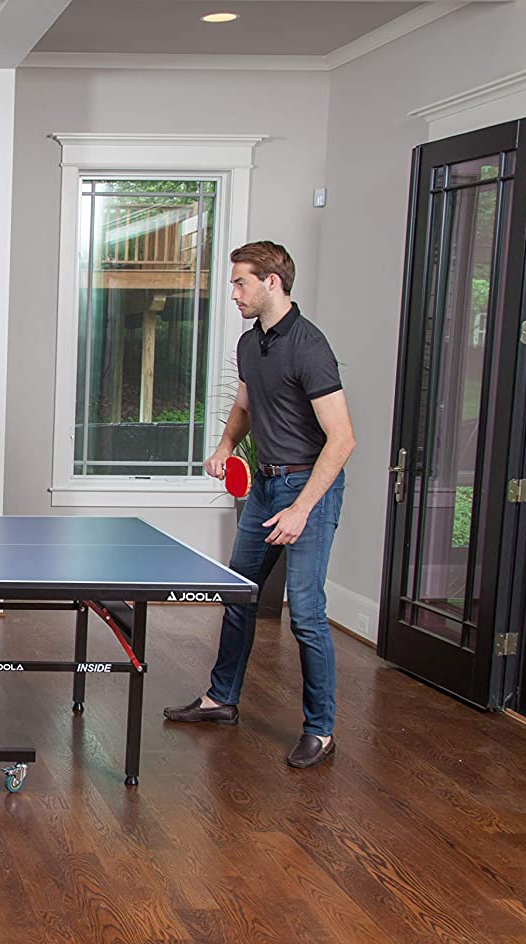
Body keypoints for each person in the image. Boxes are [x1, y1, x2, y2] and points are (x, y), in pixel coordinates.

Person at [164, 241, 356, 769]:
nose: (233, 293)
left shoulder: (310, 346)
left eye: (240, 282)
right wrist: (225, 446)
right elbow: (246, 404)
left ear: (272, 282)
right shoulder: (251, 343)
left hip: (308, 488)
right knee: (238, 593)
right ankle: (221, 699)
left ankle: (321, 731)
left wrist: (301, 509)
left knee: (307, 613)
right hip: (267, 486)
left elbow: (342, 439)